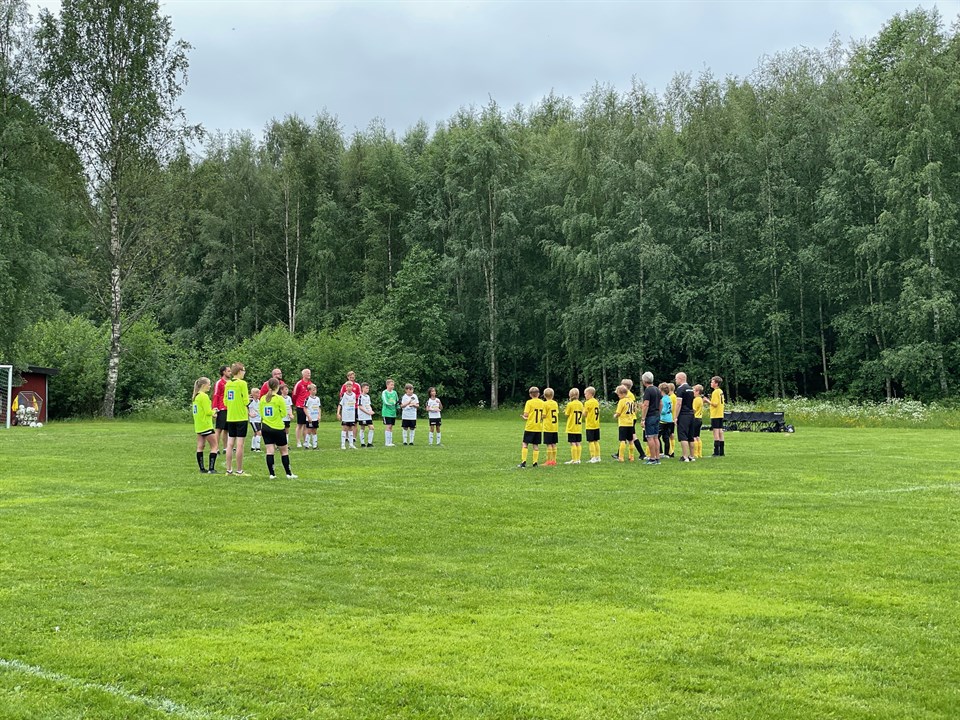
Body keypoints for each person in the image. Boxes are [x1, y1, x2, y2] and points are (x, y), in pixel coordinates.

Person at [259, 377, 297, 479]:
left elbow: (261, 413)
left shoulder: (262, 398)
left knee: (269, 451)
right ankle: (288, 473)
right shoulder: (279, 399)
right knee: (284, 451)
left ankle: (272, 474)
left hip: (266, 427)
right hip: (278, 427)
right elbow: (284, 413)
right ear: (277, 387)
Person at [223, 362, 250, 476]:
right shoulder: (242, 383)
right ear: (239, 372)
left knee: (230, 444)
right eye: (243, 371)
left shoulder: (228, 384)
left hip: (231, 417)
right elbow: (246, 401)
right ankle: (239, 470)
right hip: (241, 417)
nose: (244, 373)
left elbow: (225, 401)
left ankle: (229, 470)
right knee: (240, 444)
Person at [613, 378, 645, 461]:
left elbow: (623, 410)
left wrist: (616, 415)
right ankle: (622, 454)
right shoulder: (630, 396)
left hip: (628, 419)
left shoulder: (627, 396)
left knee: (630, 437)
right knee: (630, 437)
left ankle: (641, 453)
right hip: (630, 419)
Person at [192, 377, 218, 474]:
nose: (210, 386)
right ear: (203, 385)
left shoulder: (196, 396)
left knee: (200, 446)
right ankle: (211, 468)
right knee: (214, 446)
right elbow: (208, 412)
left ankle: (202, 469)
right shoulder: (204, 396)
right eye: (209, 384)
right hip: (206, 425)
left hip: (199, 425)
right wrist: (214, 411)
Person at [518, 386, 545, 468]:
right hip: (538, 427)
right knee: (535, 445)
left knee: (525, 443)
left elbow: (526, 414)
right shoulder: (542, 403)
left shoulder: (529, 402)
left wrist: (524, 417)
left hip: (530, 426)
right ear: (538, 394)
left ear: (530, 395)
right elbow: (543, 415)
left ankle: (523, 462)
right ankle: (535, 462)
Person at [673, 372, 696, 462]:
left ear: (680, 378)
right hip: (691, 414)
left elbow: (679, 403)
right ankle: (692, 456)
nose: (675, 380)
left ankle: (685, 456)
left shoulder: (680, 389)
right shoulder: (691, 389)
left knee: (683, 435)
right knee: (691, 436)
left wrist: (675, 416)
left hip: (683, 414)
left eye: (676, 379)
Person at [639, 372, 661, 465]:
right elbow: (661, 403)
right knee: (656, 437)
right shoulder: (657, 389)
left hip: (650, 416)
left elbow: (646, 405)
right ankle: (657, 457)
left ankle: (652, 458)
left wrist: (643, 418)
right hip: (656, 415)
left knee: (650, 437)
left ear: (644, 381)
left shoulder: (648, 391)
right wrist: (659, 413)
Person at [613, 384, 636, 462]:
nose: (618, 396)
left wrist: (615, 416)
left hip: (623, 423)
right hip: (630, 423)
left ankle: (621, 457)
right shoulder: (631, 401)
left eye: (618, 394)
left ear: (622, 394)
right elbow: (634, 410)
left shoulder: (622, 401)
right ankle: (631, 456)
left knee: (622, 440)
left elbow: (618, 412)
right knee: (631, 440)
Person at [212, 365, 231, 454]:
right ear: (224, 372)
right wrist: (215, 409)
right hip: (221, 408)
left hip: (229, 407)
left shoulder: (231, 382)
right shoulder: (219, 383)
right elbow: (216, 395)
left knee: (226, 429)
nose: (230, 373)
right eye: (228, 371)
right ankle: (215, 447)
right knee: (219, 429)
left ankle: (225, 448)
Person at [564, 387, 584, 465]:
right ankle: (578, 459)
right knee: (578, 442)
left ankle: (574, 459)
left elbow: (567, 414)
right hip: (578, 426)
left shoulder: (570, 404)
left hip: (572, 426)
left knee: (572, 443)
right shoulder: (581, 404)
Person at [292, 368, 311, 449]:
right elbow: (294, 395)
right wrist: (297, 404)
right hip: (300, 406)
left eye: (309, 373)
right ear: (303, 374)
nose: (309, 374)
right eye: (307, 373)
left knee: (306, 425)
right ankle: (298, 441)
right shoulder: (299, 384)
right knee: (300, 424)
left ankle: (306, 441)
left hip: (308, 407)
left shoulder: (310, 384)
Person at [541, 387, 559, 466]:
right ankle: (554, 460)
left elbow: (544, 415)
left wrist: (540, 417)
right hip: (555, 426)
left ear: (544, 395)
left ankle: (548, 461)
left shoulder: (545, 404)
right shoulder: (555, 403)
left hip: (548, 426)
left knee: (548, 444)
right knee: (554, 443)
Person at [583, 385, 601, 463]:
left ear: (590, 394)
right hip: (596, 424)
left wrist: (582, 410)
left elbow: (585, 414)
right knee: (596, 441)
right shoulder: (596, 401)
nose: (585, 395)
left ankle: (593, 457)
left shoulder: (587, 403)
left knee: (591, 441)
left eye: (586, 394)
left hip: (590, 425)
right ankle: (598, 456)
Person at [338, 382, 358, 449]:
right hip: (345, 415)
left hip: (351, 414)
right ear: (346, 388)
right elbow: (340, 404)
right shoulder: (344, 395)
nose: (349, 387)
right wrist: (338, 413)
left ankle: (351, 444)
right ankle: (343, 444)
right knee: (344, 428)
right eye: (348, 386)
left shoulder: (354, 395)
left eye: (350, 386)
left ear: (352, 387)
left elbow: (353, 404)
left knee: (351, 428)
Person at [709, 375, 726, 456]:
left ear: (716, 383)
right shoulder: (720, 391)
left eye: (712, 382)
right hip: (720, 413)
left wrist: (707, 401)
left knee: (715, 432)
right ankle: (721, 452)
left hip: (715, 414)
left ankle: (716, 452)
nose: (711, 383)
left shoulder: (715, 392)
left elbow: (715, 404)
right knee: (720, 431)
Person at [381, 378, 399, 447]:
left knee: (391, 426)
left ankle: (390, 442)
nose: (392, 386)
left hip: (393, 412)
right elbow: (385, 401)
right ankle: (387, 442)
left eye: (393, 385)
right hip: (386, 412)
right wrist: (392, 403)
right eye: (391, 385)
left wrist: (398, 406)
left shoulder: (394, 392)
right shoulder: (384, 392)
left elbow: (397, 400)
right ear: (387, 385)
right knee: (388, 426)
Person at [304, 383, 322, 449]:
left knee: (315, 431)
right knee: (309, 431)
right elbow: (305, 408)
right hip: (310, 418)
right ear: (309, 391)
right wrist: (308, 416)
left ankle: (315, 445)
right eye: (313, 390)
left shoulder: (317, 399)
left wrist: (319, 415)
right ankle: (306, 444)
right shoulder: (308, 399)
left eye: (315, 390)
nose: (314, 391)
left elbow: (319, 407)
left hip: (315, 418)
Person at [658, 382, 673, 459]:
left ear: (661, 390)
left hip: (663, 420)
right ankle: (667, 453)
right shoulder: (669, 398)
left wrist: (658, 411)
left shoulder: (663, 399)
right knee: (666, 437)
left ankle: (660, 452)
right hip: (669, 419)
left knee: (657, 436)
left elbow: (663, 410)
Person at [358, 383, 374, 447]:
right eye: (366, 388)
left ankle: (369, 443)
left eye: (368, 388)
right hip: (363, 416)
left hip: (368, 415)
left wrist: (371, 411)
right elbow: (360, 407)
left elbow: (368, 405)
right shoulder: (360, 396)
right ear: (362, 388)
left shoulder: (368, 396)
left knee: (371, 427)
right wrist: (367, 412)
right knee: (362, 427)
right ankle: (362, 443)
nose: (368, 389)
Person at [247, 387, 263, 452]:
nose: (259, 394)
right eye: (257, 393)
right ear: (253, 394)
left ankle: (253, 447)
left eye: (259, 393)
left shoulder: (259, 401)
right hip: (253, 420)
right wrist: (249, 414)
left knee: (255, 433)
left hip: (258, 419)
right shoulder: (250, 401)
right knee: (259, 433)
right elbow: (245, 408)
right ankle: (258, 448)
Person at [692, 384, 705, 459]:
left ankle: (695, 453)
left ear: (697, 391)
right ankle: (700, 453)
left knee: (693, 436)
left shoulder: (696, 399)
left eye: (693, 391)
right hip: (700, 419)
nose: (693, 392)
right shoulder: (700, 399)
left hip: (695, 418)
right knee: (697, 436)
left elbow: (694, 410)